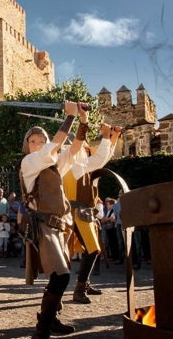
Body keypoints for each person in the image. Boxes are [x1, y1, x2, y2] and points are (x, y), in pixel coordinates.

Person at [20, 101, 88, 339]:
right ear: (27, 147)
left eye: (41, 141)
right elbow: (55, 146)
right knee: (61, 276)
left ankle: (50, 318)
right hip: (42, 226)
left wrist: (83, 119)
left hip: (59, 227)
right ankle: (42, 329)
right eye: (33, 141)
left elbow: (75, 147)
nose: (37, 145)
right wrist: (69, 117)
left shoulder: (54, 163)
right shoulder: (29, 163)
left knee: (58, 276)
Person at [63, 124, 122, 304]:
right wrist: (106, 135)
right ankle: (79, 289)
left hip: (82, 212)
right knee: (90, 250)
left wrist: (113, 136)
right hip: (77, 212)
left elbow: (102, 158)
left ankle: (84, 284)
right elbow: (99, 159)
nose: (88, 152)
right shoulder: (75, 166)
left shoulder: (79, 165)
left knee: (91, 250)